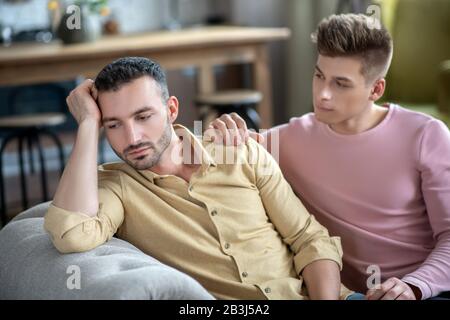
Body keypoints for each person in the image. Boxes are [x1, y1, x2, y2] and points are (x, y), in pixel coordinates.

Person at [44, 56, 354, 300]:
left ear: (172, 109)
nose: (132, 137)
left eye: (143, 116)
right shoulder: (117, 188)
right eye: (113, 125)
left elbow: (309, 238)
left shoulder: (237, 150)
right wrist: (87, 124)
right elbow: (72, 234)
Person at [208, 13, 450, 300]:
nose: (322, 94)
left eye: (340, 83)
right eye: (319, 75)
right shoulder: (291, 138)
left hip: (426, 290)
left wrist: (413, 286)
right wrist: (219, 131)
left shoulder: (426, 135)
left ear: (376, 89)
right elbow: (230, 147)